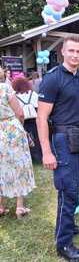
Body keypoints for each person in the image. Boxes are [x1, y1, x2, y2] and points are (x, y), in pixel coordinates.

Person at [37, 35, 79, 262]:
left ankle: (69, 225)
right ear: (63, 51)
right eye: (71, 50)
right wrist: (46, 151)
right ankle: (63, 244)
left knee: (72, 185)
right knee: (68, 189)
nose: (75, 55)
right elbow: (41, 117)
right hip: (63, 139)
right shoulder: (53, 78)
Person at [0, 67, 35, 218]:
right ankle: (19, 207)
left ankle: (0, 207)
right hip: (11, 129)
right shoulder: (4, 87)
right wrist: (20, 126)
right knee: (19, 165)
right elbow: (20, 113)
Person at [13, 77, 42, 162]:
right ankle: (39, 157)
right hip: (35, 119)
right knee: (37, 138)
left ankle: (29, 158)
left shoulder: (15, 96)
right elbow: (38, 106)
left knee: (25, 140)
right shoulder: (33, 94)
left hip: (23, 120)